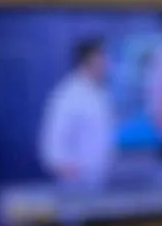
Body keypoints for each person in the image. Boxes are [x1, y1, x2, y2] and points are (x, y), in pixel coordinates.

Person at [37, 38, 116, 187]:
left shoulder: (100, 93)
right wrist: (72, 173)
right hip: (76, 187)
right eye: (104, 57)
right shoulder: (67, 95)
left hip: (100, 183)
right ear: (92, 60)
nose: (108, 64)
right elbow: (51, 145)